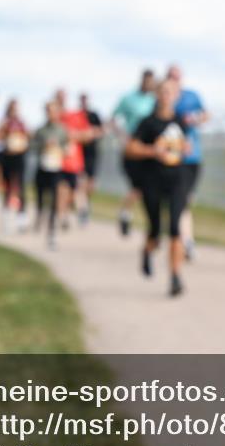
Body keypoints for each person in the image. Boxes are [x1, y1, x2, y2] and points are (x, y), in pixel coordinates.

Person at [125, 78, 191, 297]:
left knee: (175, 228)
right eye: (163, 91)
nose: (166, 95)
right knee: (155, 230)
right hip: (152, 179)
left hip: (177, 179)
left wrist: (186, 148)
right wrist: (153, 151)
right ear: (157, 95)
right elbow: (131, 148)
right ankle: (147, 250)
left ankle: (175, 276)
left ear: (176, 95)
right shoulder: (148, 122)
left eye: (170, 91)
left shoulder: (180, 121)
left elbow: (185, 146)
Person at [166, 65, 208, 260]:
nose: (175, 80)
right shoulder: (163, 101)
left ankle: (184, 238)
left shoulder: (192, 96)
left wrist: (196, 119)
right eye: (171, 77)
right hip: (171, 159)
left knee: (185, 200)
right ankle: (185, 240)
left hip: (192, 157)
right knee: (180, 199)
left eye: (177, 77)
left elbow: (206, 115)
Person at [112, 69, 158, 236]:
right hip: (132, 149)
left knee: (148, 188)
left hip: (150, 149)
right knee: (138, 186)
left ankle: (148, 222)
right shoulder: (129, 98)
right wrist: (123, 137)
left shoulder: (155, 99)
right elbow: (114, 119)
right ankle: (126, 213)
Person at [53, 89, 93, 229]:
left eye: (63, 97)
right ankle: (62, 218)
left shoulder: (74, 116)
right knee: (61, 190)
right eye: (58, 97)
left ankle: (81, 211)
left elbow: (88, 134)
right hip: (57, 162)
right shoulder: (53, 119)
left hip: (74, 162)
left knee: (77, 189)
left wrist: (74, 136)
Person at [32, 101, 68, 250]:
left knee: (54, 199)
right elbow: (33, 146)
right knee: (40, 196)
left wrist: (60, 148)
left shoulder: (62, 131)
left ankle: (52, 231)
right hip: (43, 167)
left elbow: (67, 147)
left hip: (55, 168)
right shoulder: (41, 130)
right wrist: (43, 145)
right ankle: (40, 215)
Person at [0, 99, 30, 233]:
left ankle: (21, 216)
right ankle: (7, 217)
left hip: (19, 157)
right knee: (8, 187)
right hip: (7, 157)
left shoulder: (22, 123)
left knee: (20, 186)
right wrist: (4, 130)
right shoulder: (4, 123)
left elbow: (28, 137)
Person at [78, 92, 104, 226]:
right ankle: (82, 209)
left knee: (90, 183)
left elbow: (102, 131)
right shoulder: (77, 115)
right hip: (79, 153)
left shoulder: (94, 115)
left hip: (92, 153)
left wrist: (92, 133)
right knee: (81, 182)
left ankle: (87, 203)